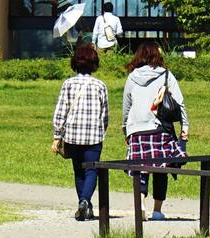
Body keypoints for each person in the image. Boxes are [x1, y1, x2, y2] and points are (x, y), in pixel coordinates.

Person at [121, 43, 189, 221]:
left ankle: (140, 203)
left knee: (140, 170)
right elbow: (179, 104)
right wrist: (185, 128)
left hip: (136, 129)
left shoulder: (132, 77)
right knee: (161, 169)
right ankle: (157, 211)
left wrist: (125, 130)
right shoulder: (166, 74)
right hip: (159, 128)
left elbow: (126, 107)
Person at [51, 44, 108, 221]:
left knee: (78, 171)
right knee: (92, 170)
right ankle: (85, 202)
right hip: (93, 136)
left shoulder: (68, 84)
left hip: (73, 136)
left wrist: (56, 136)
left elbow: (61, 111)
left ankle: (84, 204)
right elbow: (105, 113)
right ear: (93, 63)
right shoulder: (100, 85)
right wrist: (102, 128)